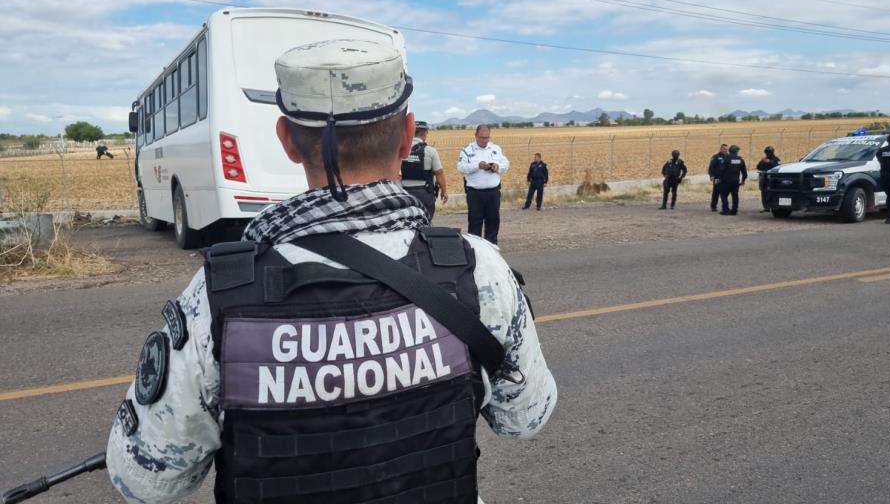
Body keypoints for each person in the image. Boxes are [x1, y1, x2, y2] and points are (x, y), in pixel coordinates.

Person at [106, 37, 556, 504]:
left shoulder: (217, 294)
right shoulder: (476, 267)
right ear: (406, 136)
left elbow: (143, 480)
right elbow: (525, 417)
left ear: (287, 141)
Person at [457, 124, 509, 244]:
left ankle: (492, 248)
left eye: (487, 137)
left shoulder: (495, 149)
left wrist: (497, 167)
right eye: (481, 137)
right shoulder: (467, 150)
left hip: (493, 192)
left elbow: (506, 164)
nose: (484, 140)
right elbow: (461, 168)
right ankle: (475, 249)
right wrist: (477, 166)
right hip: (475, 193)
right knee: (475, 222)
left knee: (493, 221)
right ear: (475, 135)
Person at [400, 120, 448, 221]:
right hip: (424, 194)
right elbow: (439, 173)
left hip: (404, 193)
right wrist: (444, 191)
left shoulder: (400, 150)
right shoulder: (430, 151)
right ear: (425, 133)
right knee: (426, 223)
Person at [719, 145, 748, 215]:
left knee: (723, 195)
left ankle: (725, 210)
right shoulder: (740, 160)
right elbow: (744, 172)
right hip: (735, 182)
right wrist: (743, 180)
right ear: (736, 151)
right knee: (735, 195)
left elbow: (721, 170)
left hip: (726, 181)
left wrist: (720, 178)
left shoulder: (726, 158)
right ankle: (734, 210)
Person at [755, 146, 781, 211]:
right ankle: (766, 207)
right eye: (766, 152)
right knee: (764, 193)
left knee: (772, 193)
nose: (768, 153)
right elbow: (758, 167)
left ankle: (774, 207)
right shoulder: (764, 159)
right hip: (764, 179)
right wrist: (762, 162)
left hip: (773, 179)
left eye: (769, 152)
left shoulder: (776, 159)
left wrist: (770, 162)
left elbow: (778, 167)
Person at [708, 143, 729, 211]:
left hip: (726, 178)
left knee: (725, 193)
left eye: (727, 149)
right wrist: (711, 176)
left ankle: (725, 208)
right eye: (724, 149)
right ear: (721, 149)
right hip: (717, 178)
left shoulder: (729, 156)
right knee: (716, 193)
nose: (726, 150)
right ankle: (713, 206)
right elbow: (711, 167)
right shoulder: (716, 157)